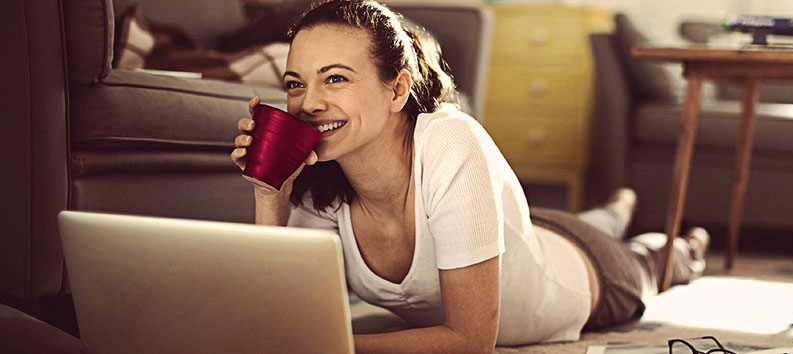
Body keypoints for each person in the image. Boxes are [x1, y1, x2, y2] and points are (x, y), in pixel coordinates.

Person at [229, 1, 707, 352]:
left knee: (651, 262)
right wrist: (271, 196)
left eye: (335, 78)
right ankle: (612, 211)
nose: (308, 103)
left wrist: (335, 346)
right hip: (518, 237)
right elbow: (281, 321)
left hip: (585, 271)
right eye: (295, 83)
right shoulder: (319, 178)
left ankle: (677, 242)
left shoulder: (450, 141)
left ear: (397, 90)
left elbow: (471, 340)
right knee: (568, 223)